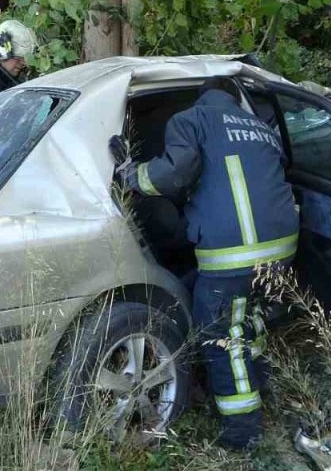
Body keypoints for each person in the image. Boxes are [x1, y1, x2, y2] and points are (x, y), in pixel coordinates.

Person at [114, 77, 298, 450]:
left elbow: (171, 174)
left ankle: (241, 433)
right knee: (251, 322)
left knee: (220, 336)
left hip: (234, 255)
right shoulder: (261, 128)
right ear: (235, 99)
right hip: (282, 249)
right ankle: (258, 385)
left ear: (202, 98)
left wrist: (130, 173)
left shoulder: (192, 120)